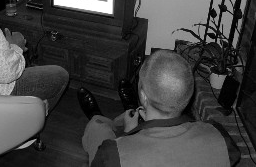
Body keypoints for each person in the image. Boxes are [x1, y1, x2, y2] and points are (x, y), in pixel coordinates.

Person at [78, 50, 240, 167]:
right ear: (189, 95)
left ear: (143, 95)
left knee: (98, 128)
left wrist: (128, 135)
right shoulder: (220, 137)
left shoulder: (112, 153)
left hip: (122, 148)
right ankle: (134, 110)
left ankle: (96, 116)